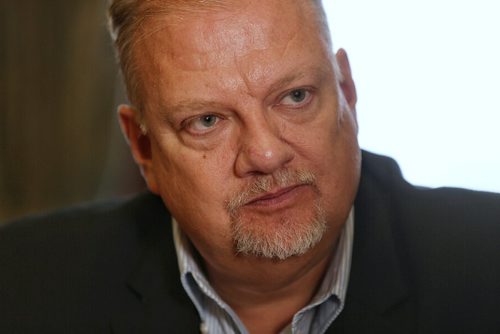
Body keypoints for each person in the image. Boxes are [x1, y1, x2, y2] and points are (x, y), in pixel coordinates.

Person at [1, 1, 499, 333]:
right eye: (207, 120)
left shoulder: (485, 265)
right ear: (143, 148)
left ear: (346, 92)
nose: (265, 154)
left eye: (295, 96)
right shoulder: (21, 286)